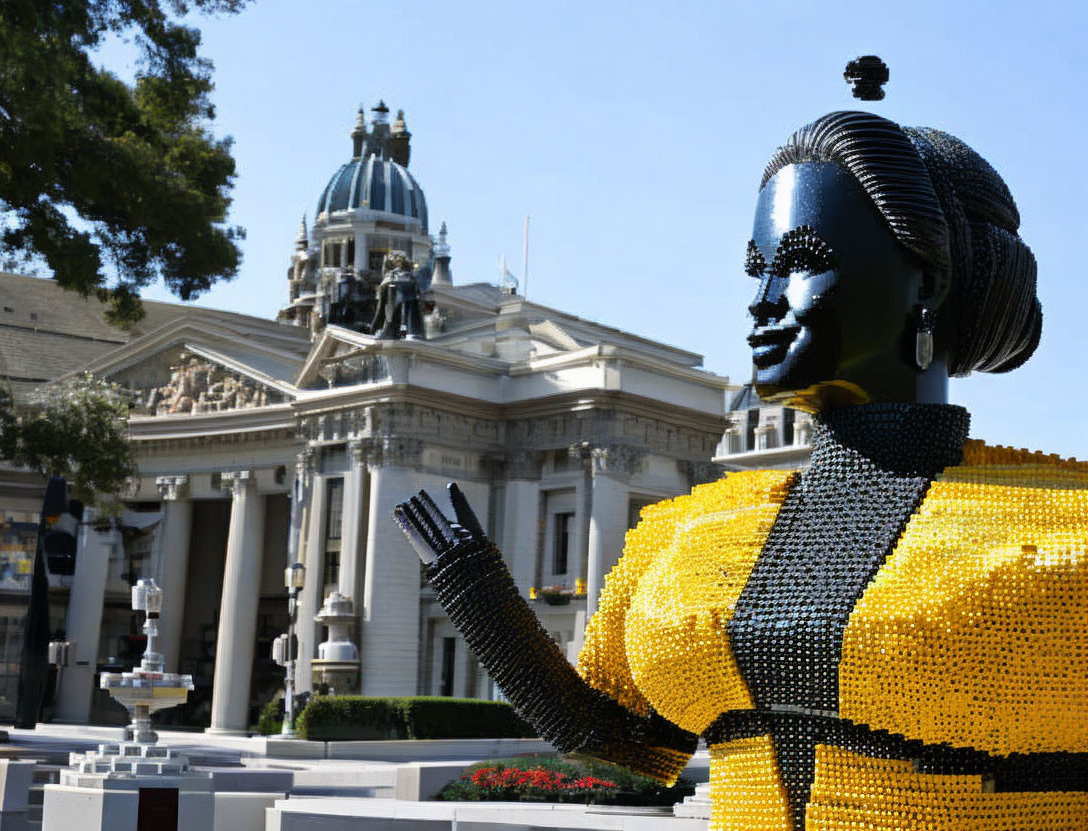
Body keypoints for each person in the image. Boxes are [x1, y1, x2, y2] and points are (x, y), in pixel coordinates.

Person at [394, 110, 1088, 831]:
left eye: (802, 261)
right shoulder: (693, 534)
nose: (762, 302)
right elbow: (625, 741)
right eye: (758, 269)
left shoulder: (1061, 530)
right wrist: (477, 592)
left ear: (929, 283)